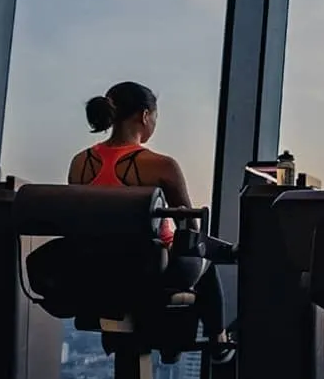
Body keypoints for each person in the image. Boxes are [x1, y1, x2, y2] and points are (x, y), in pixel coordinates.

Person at [74, 82, 230, 358]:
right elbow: (190, 230)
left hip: (95, 271)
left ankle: (147, 337)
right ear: (145, 115)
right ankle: (218, 342)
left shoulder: (80, 163)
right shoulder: (161, 165)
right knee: (206, 264)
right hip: (148, 271)